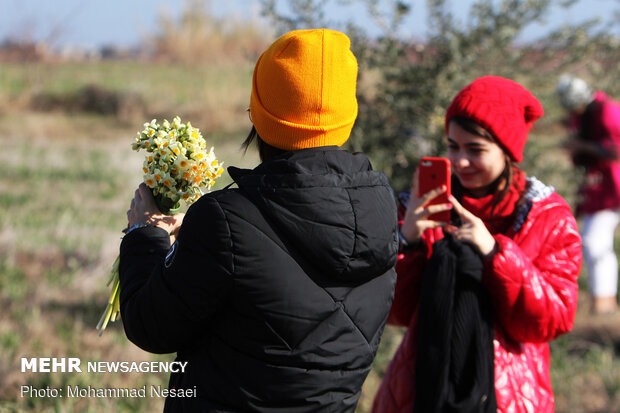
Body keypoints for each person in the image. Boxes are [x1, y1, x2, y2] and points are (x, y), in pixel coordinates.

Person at [121, 28, 398, 412]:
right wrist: (204, 244)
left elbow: (149, 325)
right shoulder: (383, 214)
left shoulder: (224, 220)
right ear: (345, 117)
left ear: (261, 115)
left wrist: (144, 233)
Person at [371, 76, 582, 413]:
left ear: (508, 151)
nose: (460, 161)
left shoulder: (546, 218)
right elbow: (391, 313)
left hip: (507, 395)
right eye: (453, 146)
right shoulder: (425, 206)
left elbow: (553, 319)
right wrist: (406, 240)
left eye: (476, 150)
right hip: (422, 389)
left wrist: (496, 254)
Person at [556, 74, 620, 314]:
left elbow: (615, 149)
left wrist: (581, 147)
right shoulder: (581, 116)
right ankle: (601, 301)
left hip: (611, 186)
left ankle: (605, 301)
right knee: (593, 241)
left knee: (595, 242)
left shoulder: (607, 111)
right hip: (595, 186)